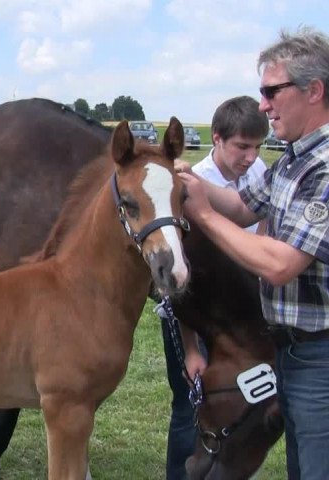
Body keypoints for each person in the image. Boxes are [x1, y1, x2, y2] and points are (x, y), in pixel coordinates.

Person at [178, 26, 329, 480]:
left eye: (271, 91)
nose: (262, 104)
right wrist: (182, 179)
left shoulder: (323, 167)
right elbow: (243, 208)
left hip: (320, 357)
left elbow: (281, 264)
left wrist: (203, 216)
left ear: (314, 90)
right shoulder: (292, 159)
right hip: (290, 351)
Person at [159, 95, 269, 480]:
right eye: (242, 146)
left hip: (240, 314)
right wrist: (190, 348)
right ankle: (180, 473)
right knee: (190, 404)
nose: (251, 157)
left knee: (238, 403)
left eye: (257, 147)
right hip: (196, 313)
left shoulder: (258, 177)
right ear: (217, 138)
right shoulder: (191, 187)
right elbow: (179, 285)